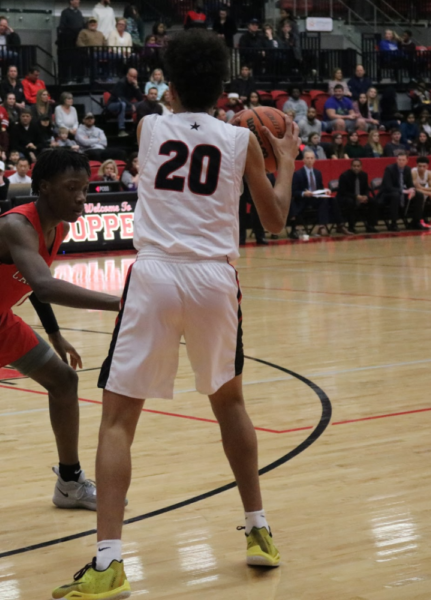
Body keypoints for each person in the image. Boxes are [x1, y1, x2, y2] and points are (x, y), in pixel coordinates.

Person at [52, 30, 296, 599]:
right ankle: (258, 529)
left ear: (171, 82)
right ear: (222, 86)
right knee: (230, 402)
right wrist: (281, 160)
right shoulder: (241, 141)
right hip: (215, 278)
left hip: (156, 274)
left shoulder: (147, 127)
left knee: (117, 420)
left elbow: (174, 117)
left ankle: (109, 561)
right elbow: (277, 220)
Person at [0, 147, 121, 566]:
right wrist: (121, 301)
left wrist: (54, 334)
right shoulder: (16, 225)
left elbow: (32, 283)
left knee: (64, 380)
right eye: (72, 189)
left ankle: (69, 483)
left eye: (85, 189)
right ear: (43, 188)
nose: (82, 198)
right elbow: (46, 285)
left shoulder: (56, 226)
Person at [380, 151, 426, 231]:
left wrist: (412, 190)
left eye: (403, 160)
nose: (401, 161)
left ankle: (416, 221)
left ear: (407, 161)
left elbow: (410, 184)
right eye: (399, 160)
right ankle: (393, 223)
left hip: (401, 193)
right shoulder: (389, 169)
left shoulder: (407, 169)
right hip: (388, 194)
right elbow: (388, 187)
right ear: (396, 160)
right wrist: (403, 191)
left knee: (419, 195)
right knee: (396, 195)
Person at [291, 149, 329, 238]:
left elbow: (320, 188)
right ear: (303, 160)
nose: (310, 160)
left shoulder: (318, 173)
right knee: (295, 204)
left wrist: (324, 191)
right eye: (307, 158)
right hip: (303, 200)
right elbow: (293, 191)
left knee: (327, 200)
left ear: (315, 160)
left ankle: (322, 226)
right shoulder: (297, 174)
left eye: (312, 158)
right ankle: (297, 228)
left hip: (315, 198)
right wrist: (304, 193)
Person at [337, 158, 372, 232]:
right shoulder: (344, 176)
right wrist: (356, 196)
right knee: (350, 202)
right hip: (346, 198)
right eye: (354, 166)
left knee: (373, 201)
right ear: (351, 166)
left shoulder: (364, 175)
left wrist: (365, 196)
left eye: (358, 166)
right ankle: (351, 226)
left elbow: (366, 188)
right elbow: (343, 192)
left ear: (361, 167)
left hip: (359, 197)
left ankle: (370, 225)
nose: (356, 168)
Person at [107, 68, 144, 136]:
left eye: (135, 77)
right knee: (122, 104)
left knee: (142, 104)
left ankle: (138, 128)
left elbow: (140, 99)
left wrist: (136, 87)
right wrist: (130, 105)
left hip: (127, 105)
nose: (133, 78)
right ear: (127, 75)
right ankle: (121, 130)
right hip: (113, 104)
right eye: (131, 76)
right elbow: (120, 97)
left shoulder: (133, 84)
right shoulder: (121, 83)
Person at [57, 0, 86, 83]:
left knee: (78, 60)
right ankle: (67, 79)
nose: (78, 1)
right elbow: (62, 26)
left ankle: (78, 78)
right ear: (71, 1)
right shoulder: (65, 12)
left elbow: (82, 25)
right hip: (68, 42)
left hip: (78, 41)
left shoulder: (79, 13)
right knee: (67, 61)